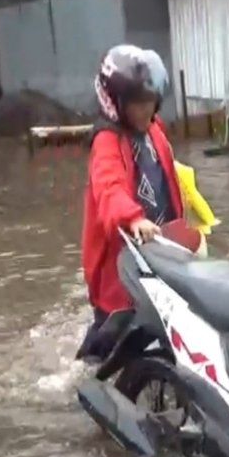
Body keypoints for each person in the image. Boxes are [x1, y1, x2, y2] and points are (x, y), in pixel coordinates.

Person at [78, 44, 186, 361]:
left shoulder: (155, 131)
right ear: (116, 103)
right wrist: (132, 218)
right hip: (120, 258)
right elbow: (108, 188)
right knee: (112, 337)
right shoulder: (106, 141)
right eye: (136, 104)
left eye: (149, 102)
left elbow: (168, 178)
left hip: (156, 248)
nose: (144, 110)